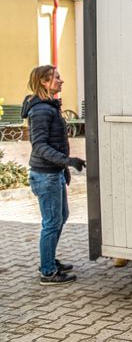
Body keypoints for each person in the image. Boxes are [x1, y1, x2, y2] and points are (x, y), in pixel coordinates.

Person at [22, 65, 86, 285]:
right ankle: (47, 271)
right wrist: (67, 161)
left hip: (53, 173)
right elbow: (39, 146)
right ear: (44, 82)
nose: (61, 81)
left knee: (61, 217)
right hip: (45, 175)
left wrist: (64, 168)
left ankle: (48, 261)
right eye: (57, 78)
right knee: (51, 223)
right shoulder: (40, 110)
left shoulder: (48, 106)